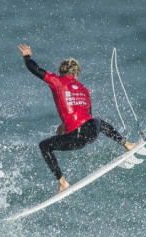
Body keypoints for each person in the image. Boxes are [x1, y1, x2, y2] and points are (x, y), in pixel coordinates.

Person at [18, 43, 137, 193]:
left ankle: (62, 182)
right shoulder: (84, 89)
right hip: (91, 132)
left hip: (76, 137)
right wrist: (64, 124)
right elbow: (86, 115)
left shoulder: (57, 81)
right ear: (75, 74)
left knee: (44, 146)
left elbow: (34, 69)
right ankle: (127, 144)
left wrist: (27, 56)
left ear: (62, 72)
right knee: (98, 122)